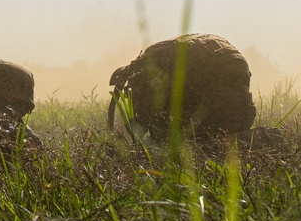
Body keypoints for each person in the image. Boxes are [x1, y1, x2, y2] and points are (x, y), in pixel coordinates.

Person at [107, 33, 279, 148]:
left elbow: (150, 123)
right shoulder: (156, 60)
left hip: (209, 72)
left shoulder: (148, 70)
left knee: (204, 144)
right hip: (227, 63)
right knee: (230, 134)